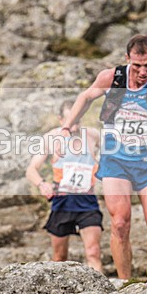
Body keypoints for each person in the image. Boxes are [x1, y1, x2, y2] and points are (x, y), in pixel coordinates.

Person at [61, 35, 147, 281]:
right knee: (120, 223)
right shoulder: (112, 77)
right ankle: (125, 282)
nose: (143, 71)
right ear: (127, 59)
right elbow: (85, 98)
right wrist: (68, 125)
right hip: (115, 161)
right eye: (137, 65)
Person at [26, 101, 104, 272]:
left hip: (87, 202)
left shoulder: (92, 135)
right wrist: (41, 184)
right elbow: (31, 170)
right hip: (62, 203)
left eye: (78, 120)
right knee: (60, 258)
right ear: (61, 120)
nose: (75, 126)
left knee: (93, 252)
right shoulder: (51, 138)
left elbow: (112, 155)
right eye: (71, 120)